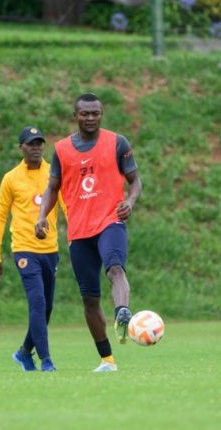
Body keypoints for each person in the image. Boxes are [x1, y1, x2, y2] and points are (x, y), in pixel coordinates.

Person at [35, 93, 142, 373]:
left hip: (110, 221)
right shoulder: (61, 150)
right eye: (85, 114)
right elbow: (52, 188)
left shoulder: (117, 143)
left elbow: (135, 181)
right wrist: (41, 216)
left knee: (115, 269)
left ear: (102, 113)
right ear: (76, 115)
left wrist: (129, 202)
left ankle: (122, 312)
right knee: (90, 299)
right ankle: (107, 360)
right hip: (79, 231)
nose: (91, 118)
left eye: (96, 113)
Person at [0, 125, 66, 372]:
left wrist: (78, 236)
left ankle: (24, 353)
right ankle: (46, 360)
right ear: (20, 147)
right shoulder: (11, 178)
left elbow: (66, 206)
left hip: (50, 250)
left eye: (39, 143)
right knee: (37, 302)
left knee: (47, 308)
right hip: (24, 249)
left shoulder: (53, 174)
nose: (36, 148)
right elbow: (0, 217)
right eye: (31, 144)